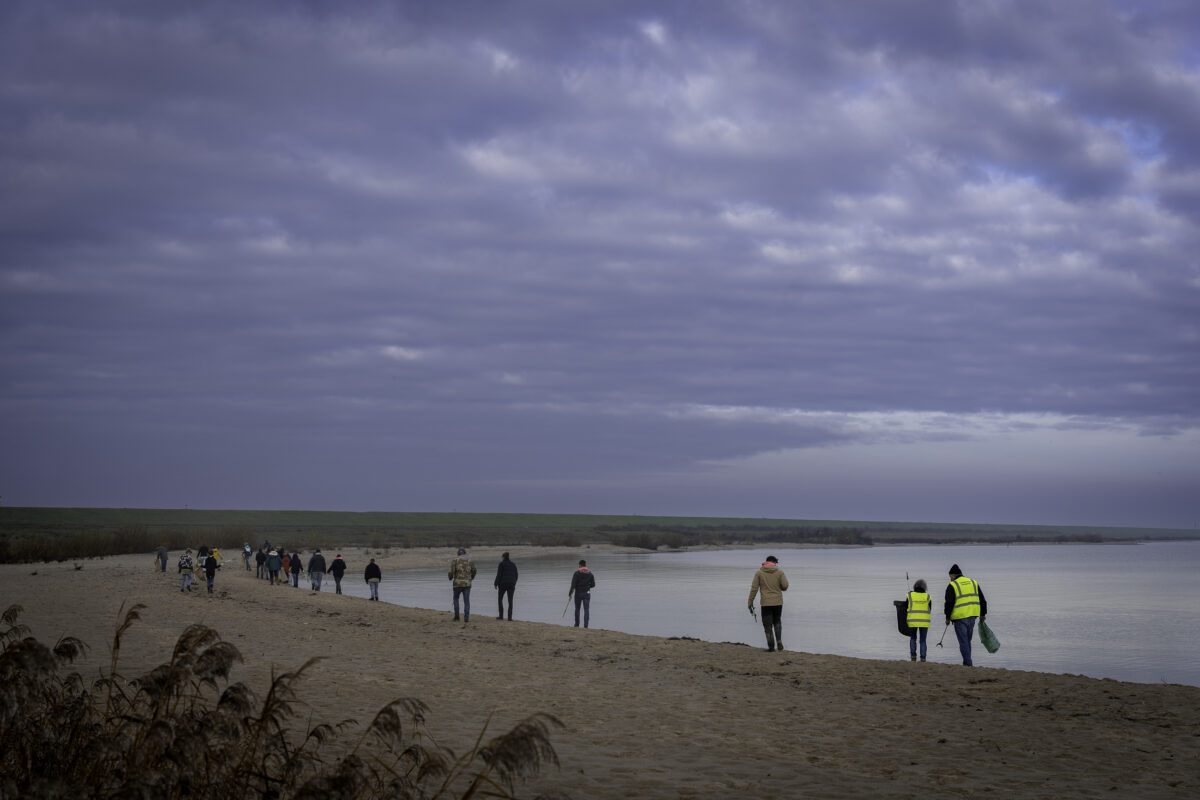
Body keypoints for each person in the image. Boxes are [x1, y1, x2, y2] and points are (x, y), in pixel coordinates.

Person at [944, 563, 988, 666]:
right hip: (972, 616)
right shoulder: (973, 583)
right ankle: (967, 663)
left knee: (964, 642)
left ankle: (968, 664)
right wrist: (983, 613)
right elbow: (982, 600)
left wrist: (947, 617)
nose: (950, 578)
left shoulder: (953, 585)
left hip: (960, 617)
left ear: (953, 575)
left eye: (950, 576)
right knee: (967, 641)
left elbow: (949, 603)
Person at [747, 555, 788, 652]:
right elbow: (785, 586)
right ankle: (779, 640)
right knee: (777, 621)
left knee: (767, 625)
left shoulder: (759, 573)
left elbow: (754, 589)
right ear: (774, 562)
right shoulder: (780, 572)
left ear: (766, 562)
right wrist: (779, 587)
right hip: (778, 602)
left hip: (766, 603)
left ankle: (771, 647)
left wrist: (750, 602)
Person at [906, 578, 932, 662]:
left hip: (912, 621)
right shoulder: (928, 596)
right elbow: (930, 608)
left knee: (913, 638)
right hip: (924, 622)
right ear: (925, 587)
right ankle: (923, 658)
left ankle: (913, 657)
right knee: (923, 640)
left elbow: (906, 607)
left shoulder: (910, 595)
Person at [448, 548, 476, 623]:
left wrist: (450, 578)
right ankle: (466, 618)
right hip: (467, 584)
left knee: (456, 599)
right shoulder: (470, 560)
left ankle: (457, 617)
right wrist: (471, 578)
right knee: (466, 601)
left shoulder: (455, 560)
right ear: (465, 553)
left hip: (457, 584)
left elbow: (451, 572)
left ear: (458, 553)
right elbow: (474, 570)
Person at [569, 560, 596, 628]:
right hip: (587, 593)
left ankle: (577, 624)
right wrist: (587, 587)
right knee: (586, 609)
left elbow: (573, 585)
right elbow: (593, 585)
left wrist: (570, 594)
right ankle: (586, 626)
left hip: (578, 593)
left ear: (580, 565)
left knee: (577, 609)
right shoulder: (590, 574)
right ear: (585, 565)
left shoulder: (577, 573)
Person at [494, 552, 518, 620]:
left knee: (500, 599)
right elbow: (516, 575)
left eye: (502, 557)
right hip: (511, 584)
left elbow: (499, 575)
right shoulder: (513, 564)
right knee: (510, 601)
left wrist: (495, 583)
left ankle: (501, 616)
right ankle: (509, 618)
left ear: (503, 557)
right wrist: (514, 582)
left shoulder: (501, 564)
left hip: (503, 584)